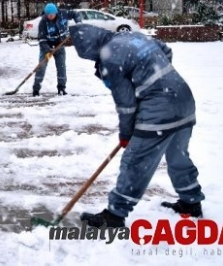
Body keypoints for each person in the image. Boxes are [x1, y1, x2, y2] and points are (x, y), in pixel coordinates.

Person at [69, 24, 204, 228]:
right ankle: (191, 202)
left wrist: (126, 134)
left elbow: (127, 105)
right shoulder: (132, 36)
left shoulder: (109, 58)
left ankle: (115, 215)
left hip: (159, 109)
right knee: (178, 156)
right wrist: (157, 80)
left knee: (134, 161)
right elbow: (166, 50)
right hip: (184, 99)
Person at [33, 3, 82, 96]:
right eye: (48, 15)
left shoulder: (63, 14)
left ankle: (61, 88)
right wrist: (48, 50)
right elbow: (42, 39)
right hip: (47, 47)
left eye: (52, 14)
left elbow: (75, 14)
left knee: (61, 67)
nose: (50, 16)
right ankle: (36, 89)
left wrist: (78, 22)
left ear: (56, 12)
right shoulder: (43, 22)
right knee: (41, 67)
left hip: (60, 44)